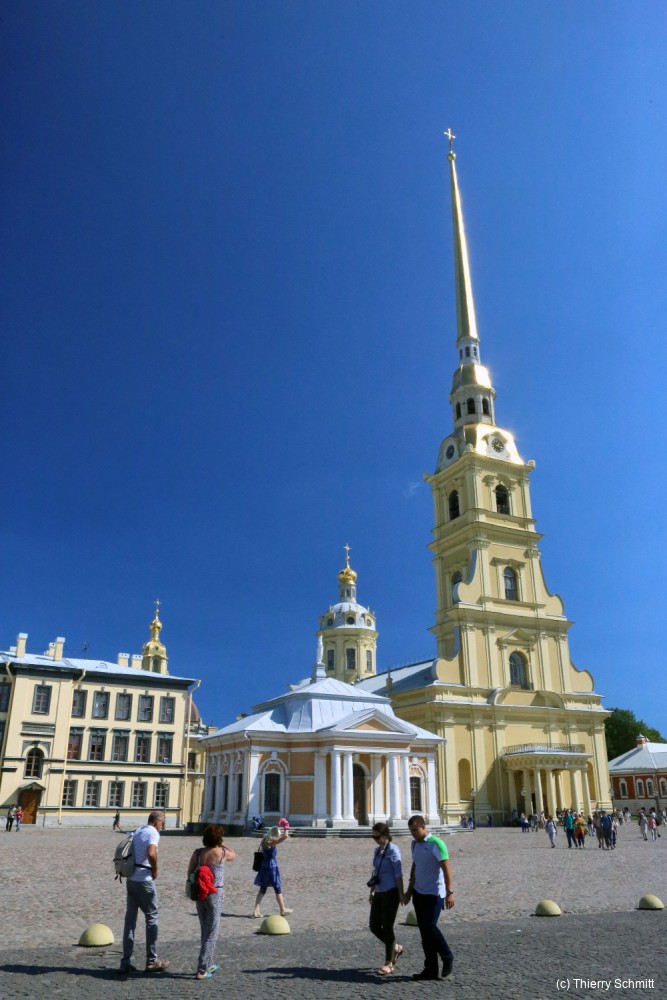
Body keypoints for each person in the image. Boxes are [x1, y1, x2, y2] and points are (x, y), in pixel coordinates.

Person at [403, 814, 454, 981]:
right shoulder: (414, 845)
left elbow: (446, 869)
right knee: (425, 933)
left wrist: (450, 892)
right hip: (419, 893)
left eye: (415, 830)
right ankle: (430, 969)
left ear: (423, 827)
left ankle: (447, 956)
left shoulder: (436, 844)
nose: (413, 834)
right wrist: (409, 891)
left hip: (434, 893)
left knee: (430, 926)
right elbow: (415, 866)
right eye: (411, 831)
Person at [119, 810, 170, 975]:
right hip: (144, 880)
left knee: (130, 921)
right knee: (152, 918)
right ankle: (151, 960)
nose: (162, 827)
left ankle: (125, 961)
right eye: (162, 824)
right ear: (157, 822)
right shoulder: (153, 833)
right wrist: (155, 868)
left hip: (131, 878)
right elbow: (151, 852)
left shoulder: (138, 830)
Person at [187, 824, 236, 980]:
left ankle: (208, 963)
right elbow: (234, 854)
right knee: (212, 932)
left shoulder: (198, 853)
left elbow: (189, 873)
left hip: (200, 893)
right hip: (215, 893)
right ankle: (202, 969)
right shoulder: (221, 853)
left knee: (205, 929)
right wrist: (222, 843)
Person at [367, 822, 405, 976]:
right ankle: (396, 947)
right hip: (379, 891)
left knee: (387, 926)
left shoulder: (394, 850)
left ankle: (389, 963)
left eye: (378, 837)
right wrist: (372, 891)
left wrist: (401, 893)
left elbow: (398, 874)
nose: (375, 840)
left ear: (386, 835)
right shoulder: (377, 851)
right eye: (373, 837)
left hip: (391, 892)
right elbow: (375, 872)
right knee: (374, 926)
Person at [253, 825, 292, 918]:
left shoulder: (264, 840)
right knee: (277, 887)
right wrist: (286, 827)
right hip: (272, 866)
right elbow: (285, 836)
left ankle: (256, 910)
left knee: (263, 888)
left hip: (263, 865)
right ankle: (282, 909)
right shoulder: (273, 841)